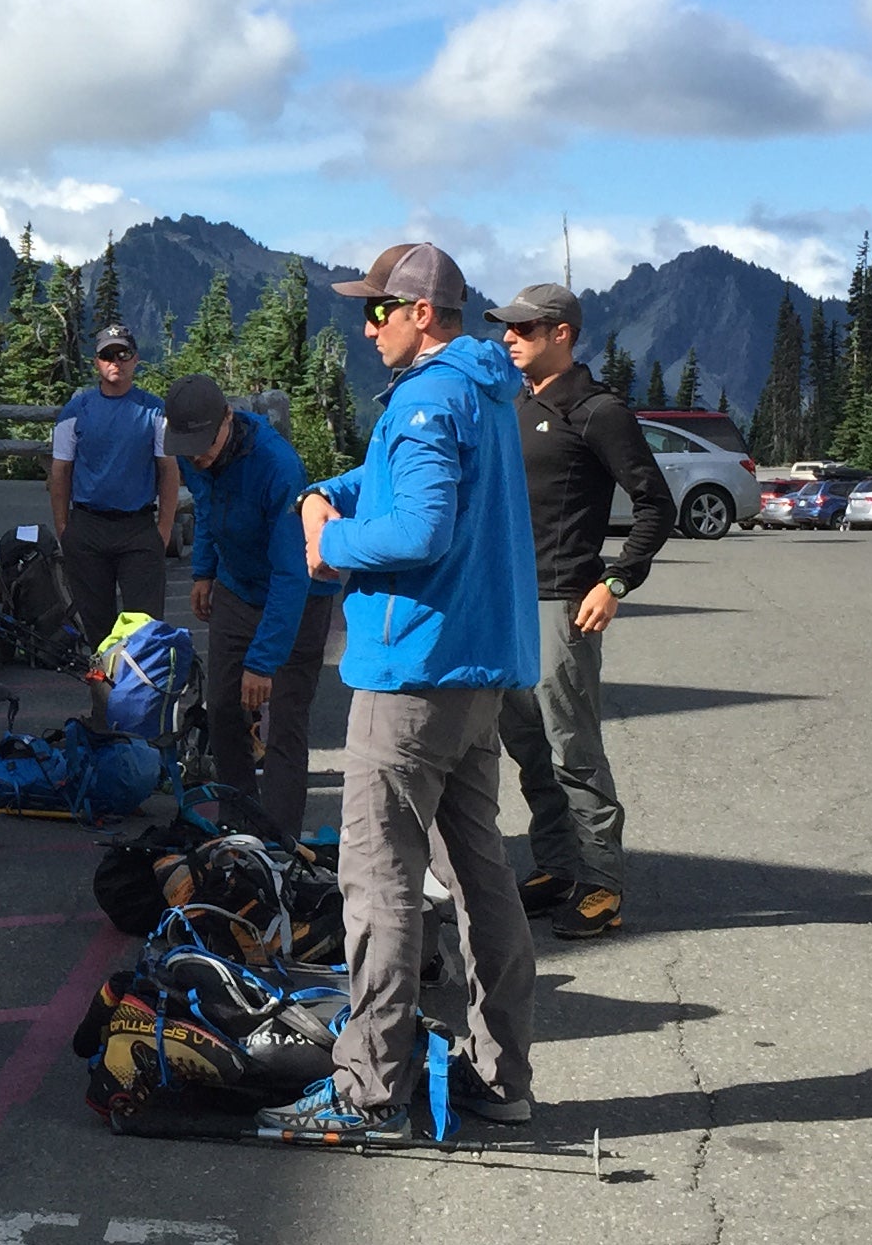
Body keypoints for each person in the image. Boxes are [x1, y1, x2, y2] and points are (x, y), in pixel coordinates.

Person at [262, 242, 540, 1146]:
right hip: (478, 675)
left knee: (376, 881)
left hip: (413, 670)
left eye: (380, 309)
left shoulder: (425, 395)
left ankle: (367, 1085)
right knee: (478, 878)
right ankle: (504, 1079)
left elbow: (420, 526)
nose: (367, 324)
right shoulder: (483, 387)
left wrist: (329, 545)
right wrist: (326, 488)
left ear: (424, 314)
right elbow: (409, 479)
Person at [487, 281, 674, 940]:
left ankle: (602, 884)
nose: (509, 338)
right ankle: (559, 867)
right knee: (529, 749)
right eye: (507, 329)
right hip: (506, 607)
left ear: (561, 333)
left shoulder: (597, 412)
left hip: (563, 604)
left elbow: (655, 505)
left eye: (524, 329)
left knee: (573, 751)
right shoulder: (515, 406)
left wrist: (616, 583)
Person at [165, 372, 336, 841]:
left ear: (228, 418)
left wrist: (263, 662)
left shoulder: (277, 466)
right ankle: (238, 824)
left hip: (296, 600)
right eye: (187, 444)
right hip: (236, 587)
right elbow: (203, 506)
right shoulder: (191, 452)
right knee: (222, 709)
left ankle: (277, 843)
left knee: (283, 720)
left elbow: (292, 572)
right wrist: (203, 571)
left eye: (204, 442)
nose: (197, 454)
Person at [49, 324, 177, 654]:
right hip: (87, 528)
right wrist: (64, 528)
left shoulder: (155, 410)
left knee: (145, 630)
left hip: (138, 528)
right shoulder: (75, 411)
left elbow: (169, 471)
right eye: (107, 355)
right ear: (96, 362)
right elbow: (60, 471)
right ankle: (103, 704)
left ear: (136, 360)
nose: (115, 362)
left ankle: (142, 703)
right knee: (97, 631)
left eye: (123, 354)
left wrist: (163, 529)